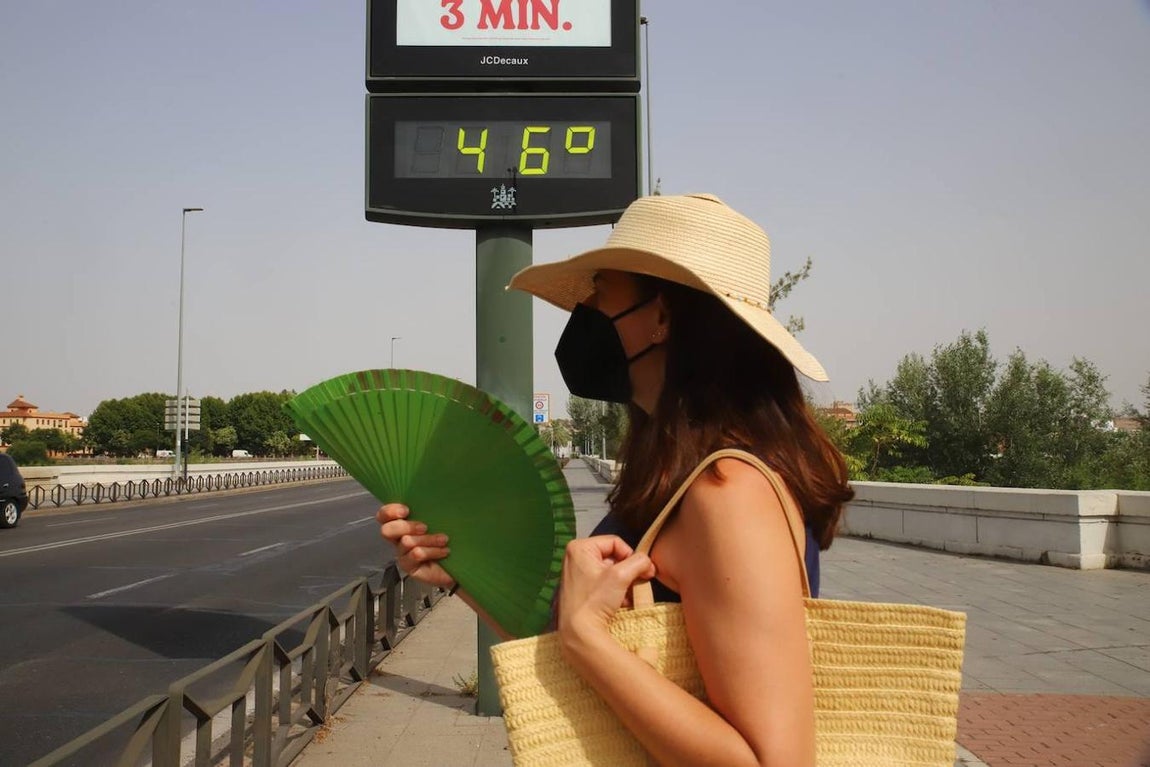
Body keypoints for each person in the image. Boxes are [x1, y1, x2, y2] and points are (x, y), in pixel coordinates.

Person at [378, 193, 854, 766]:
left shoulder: (731, 492)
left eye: (601, 295)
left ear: (661, 318)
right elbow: (585, 650)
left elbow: (772, 761)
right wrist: (459, 576)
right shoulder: (677, 477)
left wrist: (587, 637)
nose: (585, 320)